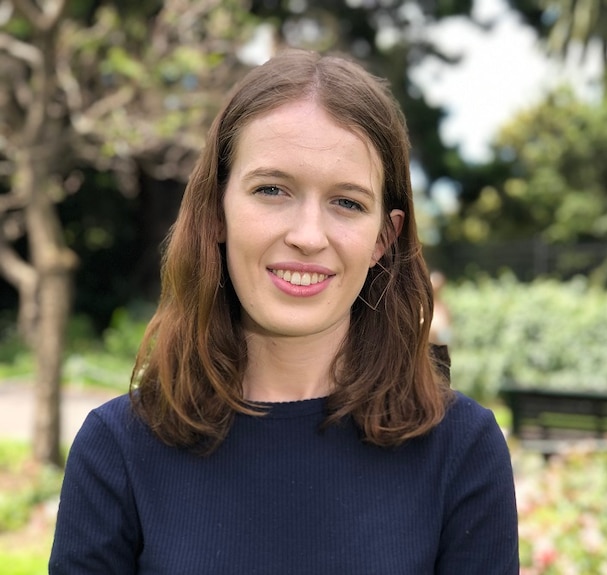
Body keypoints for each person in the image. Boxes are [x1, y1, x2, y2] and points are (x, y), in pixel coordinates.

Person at [49, 48, 519, 573]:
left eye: (347, 202)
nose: (307, 236)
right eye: (272, 190)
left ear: (383, 238)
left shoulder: (461, 451)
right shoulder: (119, 450)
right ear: (218, 213)